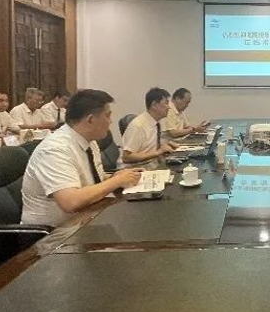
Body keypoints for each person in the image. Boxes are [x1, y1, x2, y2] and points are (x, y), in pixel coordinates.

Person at [21, 89, 143, 227]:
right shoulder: (55, 150)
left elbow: (92, 180)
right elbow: (71, 202)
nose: (110, 121)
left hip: (85, 220)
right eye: (107, 116)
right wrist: (116, 181)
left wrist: (115, 177)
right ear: (91, 119)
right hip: (53, 233)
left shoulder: (89, 142)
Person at [120, 88, 178, 165]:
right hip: (138, 167)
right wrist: (158, 152)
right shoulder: (138, 125)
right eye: (166, 103)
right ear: (154, 105)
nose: (169, 107)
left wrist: (166, 145)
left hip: (152, 164)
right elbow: (126, 157)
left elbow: (150, 145)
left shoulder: (156, 122)